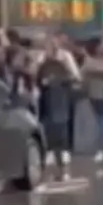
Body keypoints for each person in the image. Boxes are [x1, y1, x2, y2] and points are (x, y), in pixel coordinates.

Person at [37, 37, 77, 180]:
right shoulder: (42, 59)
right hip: (46, 99)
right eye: (47, 45)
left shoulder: (65, 57)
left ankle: (64, 157)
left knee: (62, 128)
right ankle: (51, 155)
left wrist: (60, 79)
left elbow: (75, 75)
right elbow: (37, 75)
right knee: (48, 127)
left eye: (52, 45)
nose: (49, 48)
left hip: (62, 97)